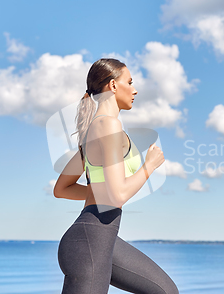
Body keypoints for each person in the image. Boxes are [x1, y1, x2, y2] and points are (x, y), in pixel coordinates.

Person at [53, 58, 179, 294]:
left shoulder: (95, 131)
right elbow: (118, 195)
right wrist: (148, 167)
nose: (135, 89)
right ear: (112, 85)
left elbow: (62, 188)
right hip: (89, 240)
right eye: (129, 82)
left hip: (101, 240)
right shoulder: (108, 126)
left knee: (164, 291)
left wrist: (99, 190)